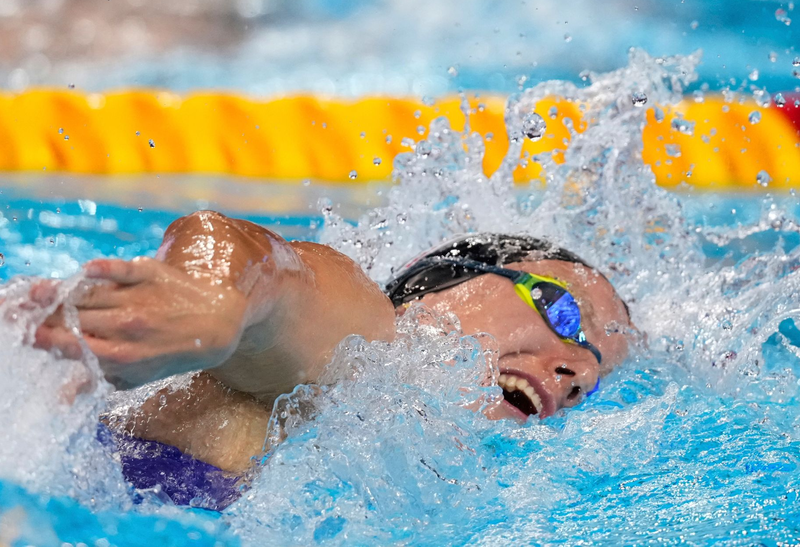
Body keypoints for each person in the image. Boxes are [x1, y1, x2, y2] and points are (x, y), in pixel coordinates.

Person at [28, 210, 633, 510]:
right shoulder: (371, 348)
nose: (577, 371)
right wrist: (207, 301)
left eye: (594, 370)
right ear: (436, 285)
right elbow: (256, 257)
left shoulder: (416, 474)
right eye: (562, 314)